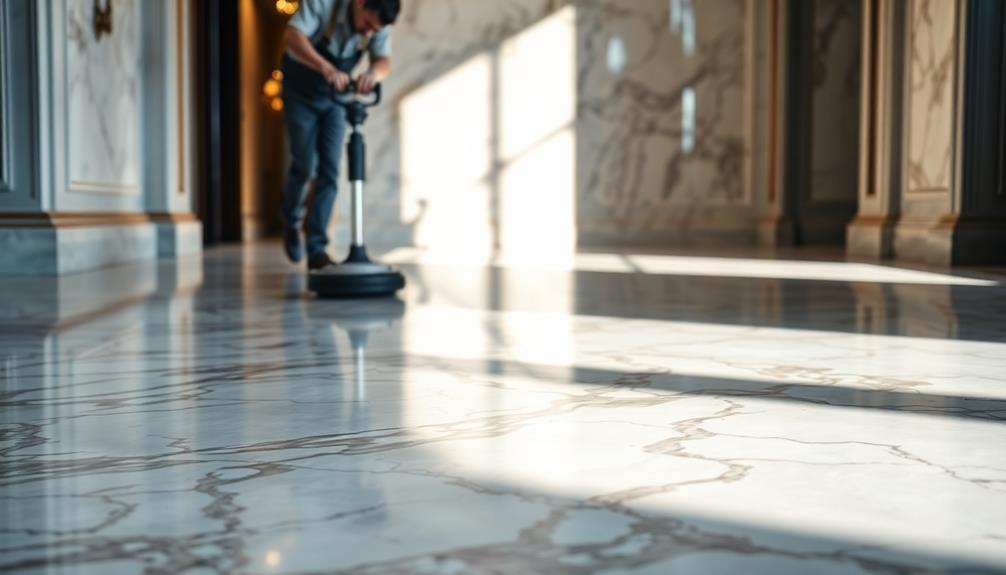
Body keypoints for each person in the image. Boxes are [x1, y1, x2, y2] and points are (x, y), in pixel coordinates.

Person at [280, 0, 400, 269]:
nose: (369, 33)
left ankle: (317, 249)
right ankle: (291, 216)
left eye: (375, 30)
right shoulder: (323, 4)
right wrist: (325, 67)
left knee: (330, 171)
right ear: (359, 3)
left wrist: (372, 74)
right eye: (368, 25)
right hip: (300, 92)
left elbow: (383, 60)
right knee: (305, 165)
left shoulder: (377, 23)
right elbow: (292, 36)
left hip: (334, 97)